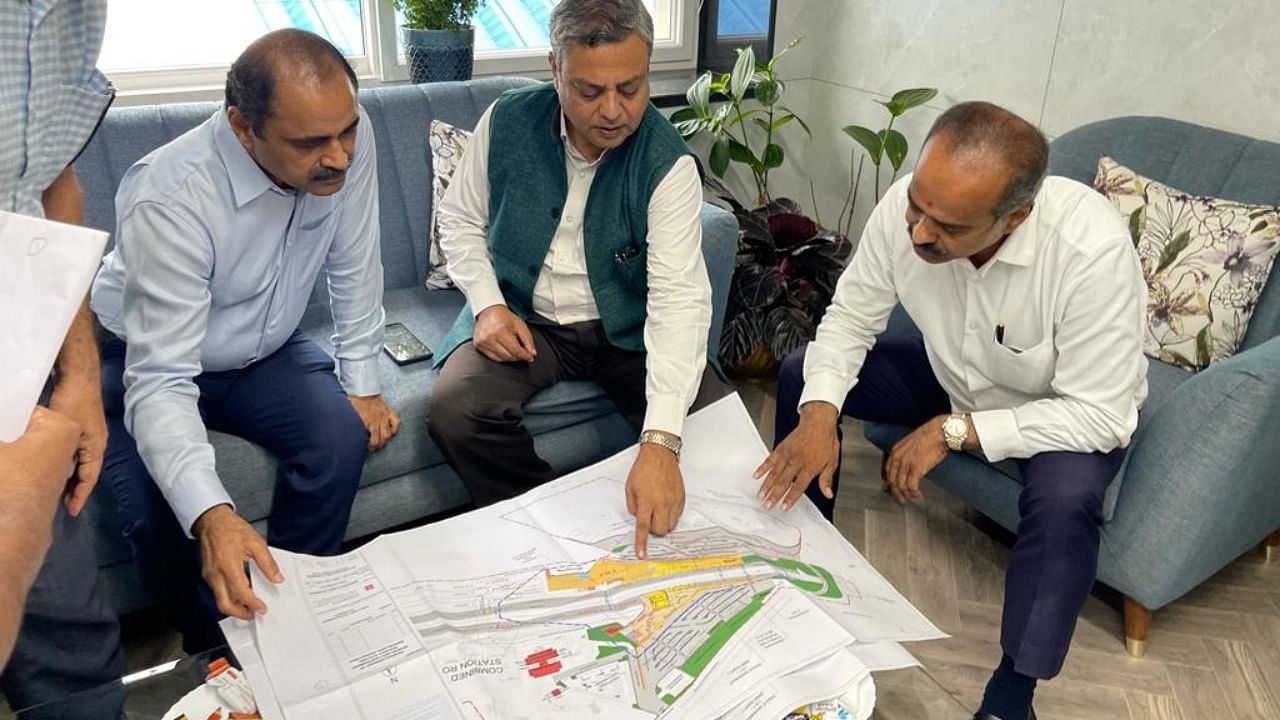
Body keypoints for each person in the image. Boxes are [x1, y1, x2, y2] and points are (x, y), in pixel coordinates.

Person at [756, 102, 1148, 720]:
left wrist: (954, 431)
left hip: (1058, 413)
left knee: (1067, 501)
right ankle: (808, 570)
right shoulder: (908, 210)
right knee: (805, 376)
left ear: (1014, 215)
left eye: (946, 227)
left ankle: (1012, 694)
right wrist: (818, 416)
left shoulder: (1088, 251)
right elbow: (851, 320)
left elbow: (1100, 415)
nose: (917, 233)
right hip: (953, 379)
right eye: (917, 205)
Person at [92, 29, 399, 653]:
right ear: (242, 126)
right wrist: (213, 515)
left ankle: (286, 615)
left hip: (266, 351)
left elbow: (355, 261)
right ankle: (216, 650)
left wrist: (363, 385)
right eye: (311, 142)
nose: (339, 156)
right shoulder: (170, 196)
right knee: (157, 515)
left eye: (346, 132)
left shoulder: (345, 135)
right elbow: (161, 381)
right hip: (143, 356)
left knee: (340, 437)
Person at [429, 0, 723, 559]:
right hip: (526, 319)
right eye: (589, 91)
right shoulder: (508, 120)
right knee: (455, 410)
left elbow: (679, 301)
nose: (613, 110)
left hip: (628, 330)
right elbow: (460, 219)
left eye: (631, 88)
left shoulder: (670, 164)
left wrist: (661, 442)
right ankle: (549, 534)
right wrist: (488, 305)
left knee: (715, 423)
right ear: (554, 70)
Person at [0, 0, 125, 716]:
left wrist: (77, 373)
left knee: (74, 640)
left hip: (30, 361)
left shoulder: (79, 13)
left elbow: (51, 185)